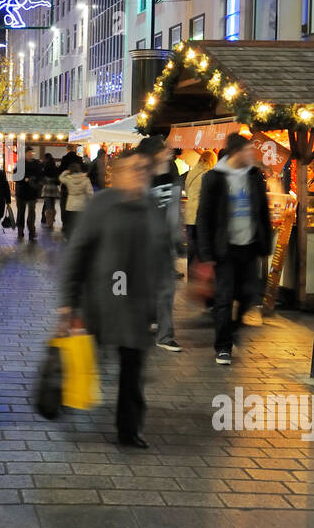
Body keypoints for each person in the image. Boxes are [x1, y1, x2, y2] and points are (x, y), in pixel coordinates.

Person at [59, 151, 169, 449]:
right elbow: (78, 251)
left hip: (136, 307)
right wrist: (68, 301)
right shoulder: (102, 205)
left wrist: (161, 294)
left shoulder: (150, 207)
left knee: (133, 373)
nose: (139, 173)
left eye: (143, 169)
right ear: (116, 173)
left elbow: (162, 254)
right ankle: (64, 394)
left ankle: (129, 429)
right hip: (100, 302)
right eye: (132, 168)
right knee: (84, 356)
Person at [196, 133, 273, 365]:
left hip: (249, 246)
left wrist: (265, 242)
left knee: (250, 295)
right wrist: (206, 252)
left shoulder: (254, 176)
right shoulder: (214, 178)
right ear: (236, 153)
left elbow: (263, 211)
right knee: (224, 298)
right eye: (248, 151)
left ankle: (232, 331)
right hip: (225, 248)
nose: (252, 155)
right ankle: (223, 346)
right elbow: (204, 216)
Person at [140, 136, 183, 352]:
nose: (169, 151)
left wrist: (177, 239)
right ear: (155, 153)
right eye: (165, 149)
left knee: (167, 290)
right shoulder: (141, 179)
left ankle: (165, 336)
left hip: (165, 244)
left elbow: (174, 212)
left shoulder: (172, 176)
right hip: (143, 245)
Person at [182, 148, 215, 266]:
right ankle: (198, 276)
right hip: (200, 215)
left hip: (189, 214)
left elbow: (186, 190)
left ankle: (191, 274)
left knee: (191, 246)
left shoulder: (191, 172)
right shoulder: (208, 174)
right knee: (201, 248)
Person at [58, 160, 92, 238]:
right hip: (82, 204)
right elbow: (90, 193)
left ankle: (69, 238)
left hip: (71, 204)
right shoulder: (85, 179)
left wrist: (66, 172)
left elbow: (60, 178)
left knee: (70, 223)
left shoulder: (68, 179)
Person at [16, 148, 42, 241]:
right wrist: (25, 179)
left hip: (32, 191)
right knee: (21, 212)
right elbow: (15, 176)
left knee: (32, 212)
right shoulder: (20, 163)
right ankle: (20, 230)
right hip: (21, 191)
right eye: (29, 152)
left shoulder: (37, 163)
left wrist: (34, 179)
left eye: (32, 152)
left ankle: (31, 230)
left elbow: (40, 175)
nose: (31, 154)